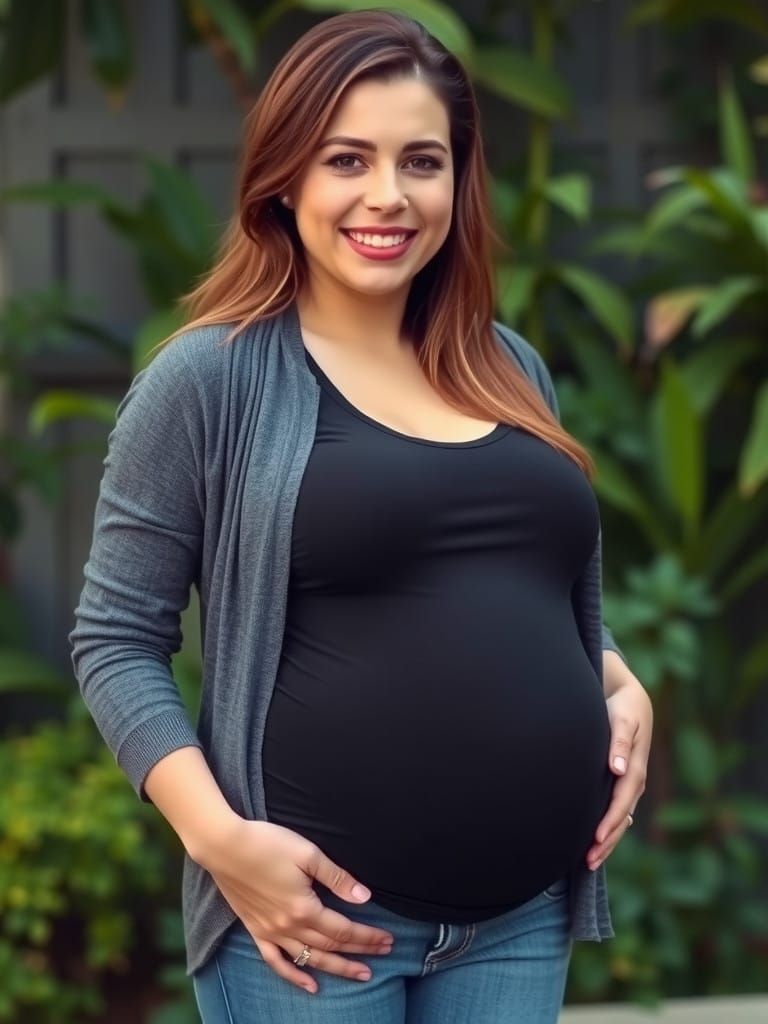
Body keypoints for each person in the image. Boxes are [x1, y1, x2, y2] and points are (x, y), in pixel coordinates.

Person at [69, 8, 653, 1023]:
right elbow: (116, 639)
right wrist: (219, 842)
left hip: (518, 920)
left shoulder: (508, 365)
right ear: (285, 175)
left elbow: (514, 586)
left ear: (456, 183)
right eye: (348, 158)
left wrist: (616, 676)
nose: (388, 196)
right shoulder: (207, 379)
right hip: (315, 935)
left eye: (421, 161)